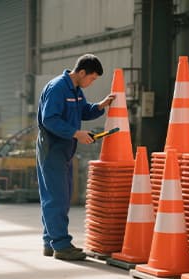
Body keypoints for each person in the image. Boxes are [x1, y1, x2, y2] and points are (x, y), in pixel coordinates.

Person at [36, 53, 115, 260]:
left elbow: (83, 112)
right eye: (92, 78)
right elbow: (49, 119)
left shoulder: (76, 91)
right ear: (81, 72)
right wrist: (76, 133)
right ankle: (61, 246)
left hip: (65, 149)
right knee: (57, 198)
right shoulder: (58, 88)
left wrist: (101, 105)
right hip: (52, 149)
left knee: (60, 195)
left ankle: (49, 242)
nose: (92, 82)